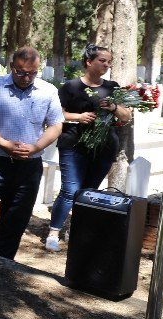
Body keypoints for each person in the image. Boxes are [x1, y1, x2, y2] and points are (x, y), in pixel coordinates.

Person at [0, 46, 63, 260]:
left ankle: (1, 264)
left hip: (28, 167)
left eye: (32, 73)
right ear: (12, 66)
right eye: (20, 72)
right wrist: (3, 144)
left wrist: (36, 147)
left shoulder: (48, 91)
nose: (26, 77)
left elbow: (56, 125)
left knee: (15, 220)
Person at [47, 44, 131, 252]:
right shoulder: (70, 87)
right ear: (89, 62)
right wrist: (79, 117)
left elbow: (126, 116)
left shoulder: (113, 88)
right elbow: (57, 114)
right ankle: (53, 233)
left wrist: (112, 107)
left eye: (109, 62)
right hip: (73, 145)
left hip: (103, 148)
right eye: (102, 60)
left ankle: (78, 232)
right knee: (70, 190)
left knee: (87, 192)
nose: (106, 65)